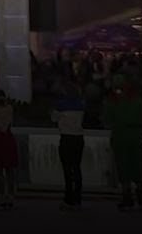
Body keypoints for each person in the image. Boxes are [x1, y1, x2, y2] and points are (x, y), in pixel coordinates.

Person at [102, 75, 142, 211]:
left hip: (120, 136)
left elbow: (106, 121)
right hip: (136, 136)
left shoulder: (111, 101)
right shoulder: (137, 100)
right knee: (138, 165)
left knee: (123, 166)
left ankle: (126, 196)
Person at [52, 80, 86, 211]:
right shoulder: (81, 104)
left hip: (66, 137)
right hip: (78, 137)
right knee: (76, 168)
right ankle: (77, 198)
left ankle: (68, 198)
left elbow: (53, 119)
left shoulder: (60, 105)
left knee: (67, 169)